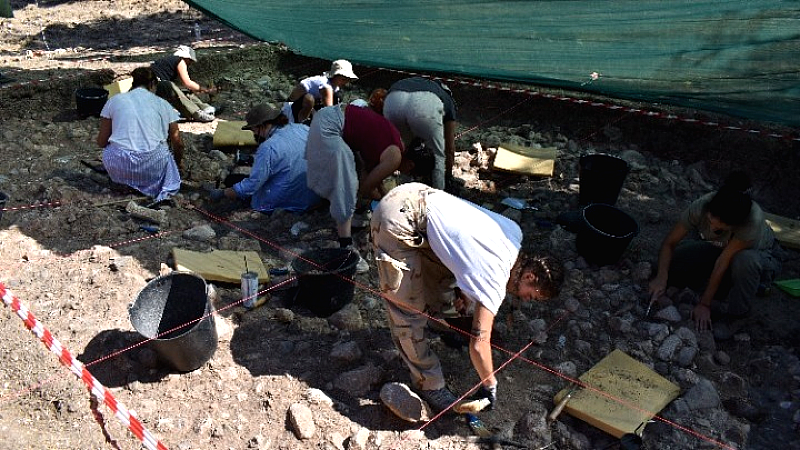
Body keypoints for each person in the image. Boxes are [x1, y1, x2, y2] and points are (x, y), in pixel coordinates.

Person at [370, 182, 565, 413]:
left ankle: (442, 323)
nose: (527, 300)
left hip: (416, 194)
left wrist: (465, 292)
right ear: (530, 276)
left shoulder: (514, 233)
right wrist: (490, 384)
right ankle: (429, 383)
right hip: (397, 221)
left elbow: (466, 248)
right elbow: (479, 345)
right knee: (406, 311)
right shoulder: (495, 278)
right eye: (532, 296)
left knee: (444, 284)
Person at [648, 171, 782, 333]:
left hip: (757, 255)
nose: (712, 228)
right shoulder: (702, 205)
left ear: (733, 225)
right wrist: (661, 277)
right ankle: (721, 284)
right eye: (710, 221)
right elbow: (670, 243)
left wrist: (704, 304)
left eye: (719, 228)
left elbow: (722, 262)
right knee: (667, 266)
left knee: (745, 261)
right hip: (718, 247)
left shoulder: (751, 223)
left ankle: (738, 315)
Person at [304, 103, 404, 273]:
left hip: (330, 117)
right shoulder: (395, 157)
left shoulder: (392, 147)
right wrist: (388, 201)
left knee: (353, 170)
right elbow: (366, 188)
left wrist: (384, 197)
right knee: (346, 182)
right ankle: (346, 246)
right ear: (412, 163)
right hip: (330, 125)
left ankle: (353, 215)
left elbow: (372, 177)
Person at [208, 103, 321, 214]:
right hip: (316, 195)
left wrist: (223, 193)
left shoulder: (268, 147)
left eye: (253, 130)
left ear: (261, 126)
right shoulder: (302, 128)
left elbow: (251, 186)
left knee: (232, 180)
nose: (254, 133)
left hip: (289, 201)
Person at [96, 67, 184, 202]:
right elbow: (178, 143)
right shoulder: (163, 104)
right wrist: (177, 165)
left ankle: (125, 183)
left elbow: (102, 142)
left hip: (118, 167)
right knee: (165, 152)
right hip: (153, 167)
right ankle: (150, 186)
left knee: (111, 149)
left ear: (133, 83)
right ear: (152, 85)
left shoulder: (114, 100)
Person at [382, 77, 458, 191]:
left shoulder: (421, 82)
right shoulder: (448, 100)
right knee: (438, 154)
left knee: (402, 149)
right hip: (425, 104)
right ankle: (437, 194)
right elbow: (449, 148)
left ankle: (401, 190)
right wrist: (448, 175)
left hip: (393, 99)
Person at [150, 45, 217, 122]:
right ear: (186, 57)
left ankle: (205, 108)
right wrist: (205, 90)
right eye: (190, 60)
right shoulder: (180, 61)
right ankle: (196, 113)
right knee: (171, 87)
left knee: (182, 92)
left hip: (155, 89)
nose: (190, 63)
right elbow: (187, 83)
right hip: (155, 89)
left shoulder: (170, 62)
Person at [282, 59, 358, 124]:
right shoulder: (326, 86)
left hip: (311, 101)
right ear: (334, 76)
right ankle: (300, 121)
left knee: (337, 97)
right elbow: (329, 109)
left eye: (347, 80)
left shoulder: (334, 86)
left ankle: (312, 116)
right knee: (310, 99)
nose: (345, 82)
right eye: (343, 79)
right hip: (293, 104)